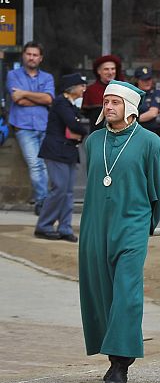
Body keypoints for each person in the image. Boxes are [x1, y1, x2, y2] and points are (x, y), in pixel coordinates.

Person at [78, 80, 160, 383]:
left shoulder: (150, 143)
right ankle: (111, 356)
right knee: (101, 292)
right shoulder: (93, 141)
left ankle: (121, 362)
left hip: (132, 228)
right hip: (95, 228)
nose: (108, 107)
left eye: (115, 103)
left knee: (126, 293)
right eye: (106, 102)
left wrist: (144, 225)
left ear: (130, 108)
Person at [35, 73, 88, 241]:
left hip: (68, 152)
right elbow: (74, 125)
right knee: (59, 189)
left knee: (68, 192)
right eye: (81, 86)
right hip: (56, 151)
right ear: (72, 88)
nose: (83, 89)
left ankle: (65, 228)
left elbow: (75, 124)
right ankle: (44, 225)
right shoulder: (61, 103)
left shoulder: (71, 105)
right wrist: (82, 131)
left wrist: (79, 130)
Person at [6, 41, 54, 214]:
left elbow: (49, 99)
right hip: (23, 127)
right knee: (35, 164)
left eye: (35, 55)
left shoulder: (47, 77)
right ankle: (42, 201)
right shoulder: (13, 75)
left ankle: (45, 201)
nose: (32, 57)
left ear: (40, 58)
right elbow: (16, 99)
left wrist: (25, 93)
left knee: (44, 164)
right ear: (23, 55)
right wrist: (38, 98)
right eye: (29, 54)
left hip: (43, 125)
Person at [82, 54, 123, 130]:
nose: (110, 72)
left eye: (113, 69)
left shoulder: (124, 89)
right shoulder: (91, 91)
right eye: (106, 69)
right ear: (98, 71)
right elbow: (86, 114)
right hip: (98, 135)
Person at [134, 66, 160, 136]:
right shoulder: (132, 93)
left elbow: (153, 113)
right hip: (134, 132)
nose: (147, 82)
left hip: (151, 131)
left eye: (149, 79)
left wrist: (133, 121)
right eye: (144, 80)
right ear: (137, 80)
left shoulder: (155, 93)